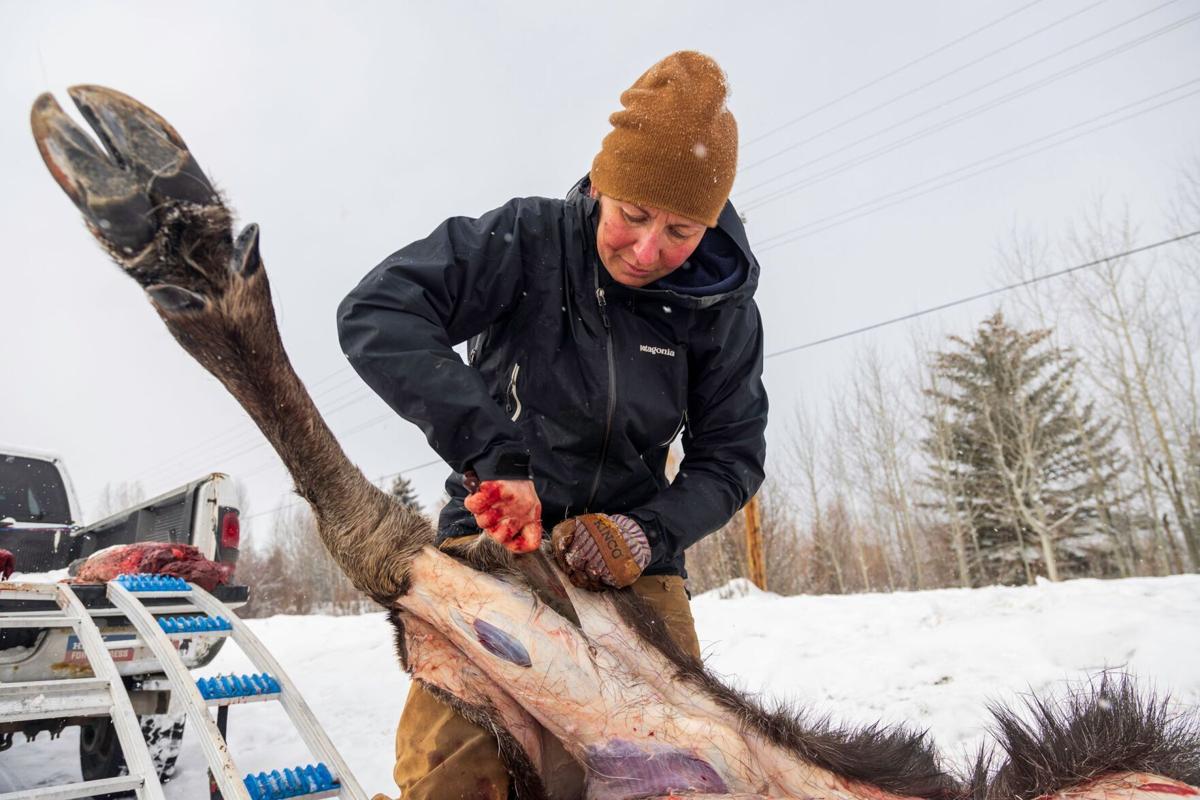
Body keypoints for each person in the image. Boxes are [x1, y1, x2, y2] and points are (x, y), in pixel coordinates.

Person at [337, 50, 767, 800]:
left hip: (633, 569)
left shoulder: (721, 310)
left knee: (681, 775)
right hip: (495, 549)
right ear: (602, 184)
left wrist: (645, 535)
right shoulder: (529, 241)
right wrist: (495, 456)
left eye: (680, 231)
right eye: (633, 216)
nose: (647, 251)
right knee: (451, 775)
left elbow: (731, 455)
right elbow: (379, 312)